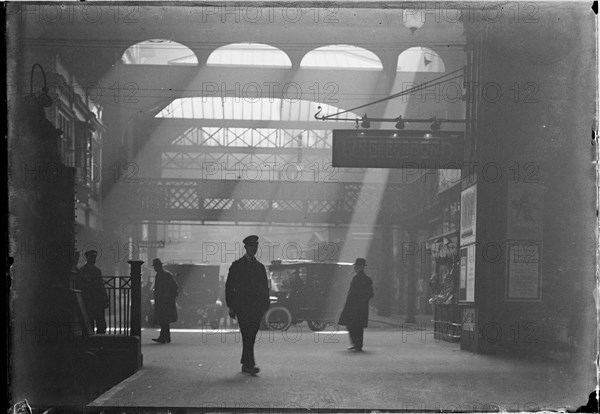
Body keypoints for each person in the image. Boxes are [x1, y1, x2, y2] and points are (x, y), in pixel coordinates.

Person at [225, 235, 270, 375]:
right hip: (242, 307)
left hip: (256, 308)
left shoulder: (260, 268)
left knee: (250, 336)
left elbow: (265, 288)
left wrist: (265, 305)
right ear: (246, 248)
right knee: (248, 335)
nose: (253, 249)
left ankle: (246, 363)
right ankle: (250, 364)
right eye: (251, 247)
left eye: (255, 247)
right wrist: (231, 306)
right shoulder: (236, 266)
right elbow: (229, 287)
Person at [338, 258, 374, 351]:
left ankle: (357, 344)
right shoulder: (361, 278)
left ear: (361, 267)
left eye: (356, 266)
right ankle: (356, 343)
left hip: (357, 306)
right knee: (354, 325)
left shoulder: (364, 279)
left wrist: (361, 301)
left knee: (355, 325)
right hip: (356, 306)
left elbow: (369, 293)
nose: (355, 268)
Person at [76, 250, 109, 334]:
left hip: (97, 300)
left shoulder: (97, 271)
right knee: (89, 322)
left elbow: (101, 285)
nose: (93, 259)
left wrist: (105, 297)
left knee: (100, 323)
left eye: (94, 257)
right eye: (91, 257)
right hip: (88, 299)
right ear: (87, 258)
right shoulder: (82, 270)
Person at [152, 258, 178, 344]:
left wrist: (168, 297)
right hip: (162, 299)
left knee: (164, 319)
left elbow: (174, 287)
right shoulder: (161, 274)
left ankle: (164, 336)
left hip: (165, 300)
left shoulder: (165, 274)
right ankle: (165, 336)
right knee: (163, 319)